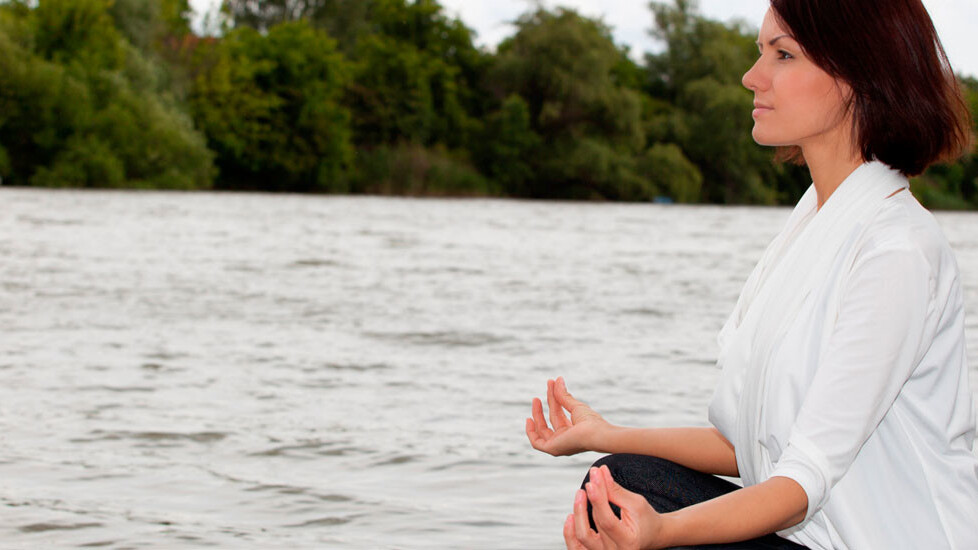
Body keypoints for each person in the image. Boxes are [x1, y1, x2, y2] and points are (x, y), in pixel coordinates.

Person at [525, 0, 978, 548]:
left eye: (782, 54)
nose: (751, 76)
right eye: (760, 52)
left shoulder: (896, 251)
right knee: (617, 482)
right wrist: (603, 434)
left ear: (857, 76)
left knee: (631, 504)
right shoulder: (816, 219)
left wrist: (663, 533)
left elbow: (799, 483)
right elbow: (752, 447)